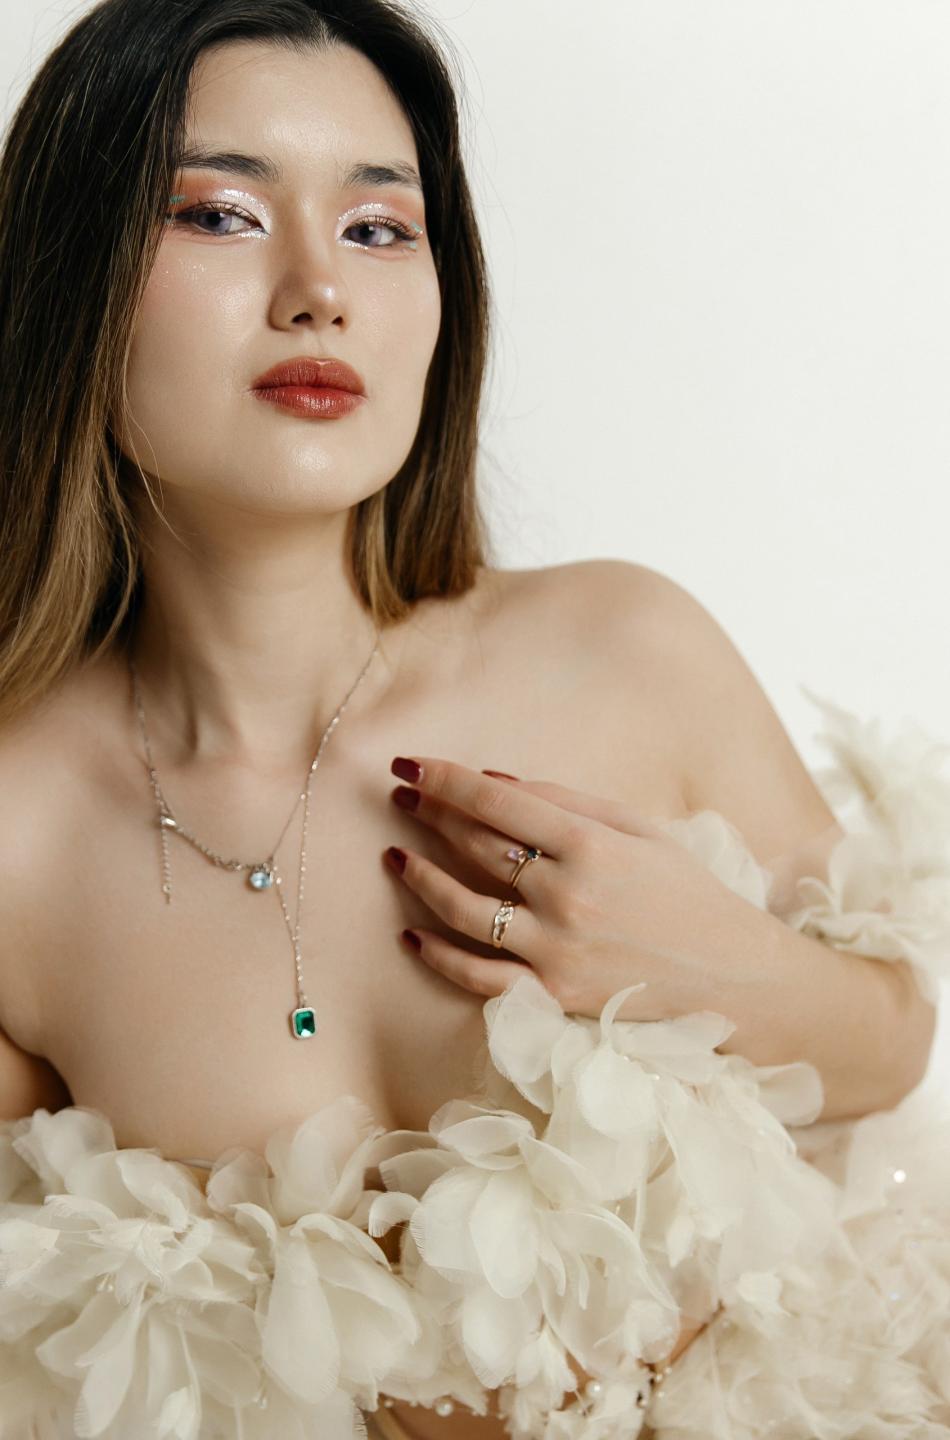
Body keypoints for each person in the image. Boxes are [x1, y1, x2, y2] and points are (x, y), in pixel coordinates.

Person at [0, 2, 948, 1438]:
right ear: (68, 275)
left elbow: (898, 1053)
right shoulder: (22, 833)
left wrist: (723, 964)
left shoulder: (623, 652)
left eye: (381, 228)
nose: (320, 290)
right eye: (219, 214)